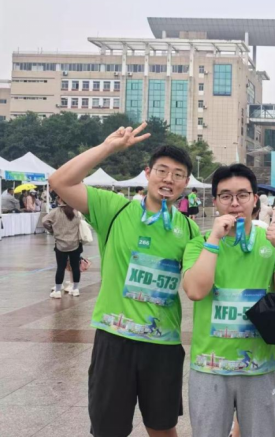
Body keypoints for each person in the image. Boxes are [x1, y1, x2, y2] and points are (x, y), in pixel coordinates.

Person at [48, 123, 200, 437]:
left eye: (178, 174)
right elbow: (60, 181)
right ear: (148, 173)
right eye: (162, 170)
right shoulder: (114, 209)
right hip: (114, 340)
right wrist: (109, 147)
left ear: (186, 183)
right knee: (108, 429)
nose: (168, 179)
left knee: (162, 428)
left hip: (163, 344)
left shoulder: (189, 230)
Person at [182, 164, 275, 437]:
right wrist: (214, 239)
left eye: (242, 195)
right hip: (210, 367)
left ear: (255, 199)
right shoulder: (200, 244)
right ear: (215, 201)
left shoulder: (268, 242)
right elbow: (196, 291)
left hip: (259, 367)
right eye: (226, 196)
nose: (234, 203)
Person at [43, 196, 83, 298]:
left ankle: (57, 291)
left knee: (60, 267)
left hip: (60, 244)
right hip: (75, 243)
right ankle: (75, 289)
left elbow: (44, 221)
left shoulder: (55, 212)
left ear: (60, 200)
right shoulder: (76, 211)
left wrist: (52, 230)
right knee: (75, 267)